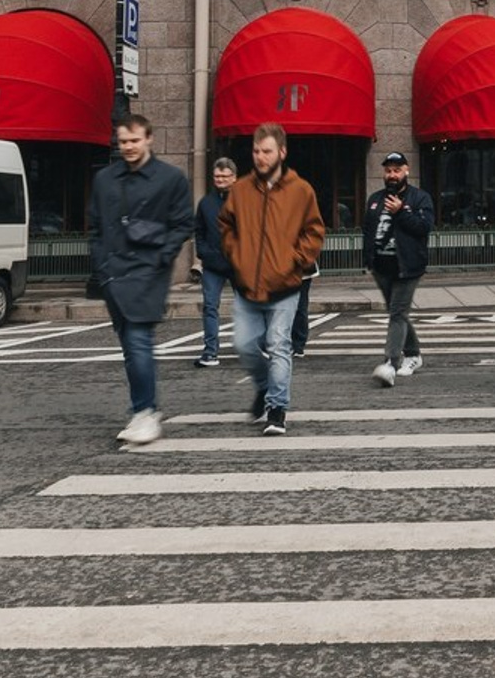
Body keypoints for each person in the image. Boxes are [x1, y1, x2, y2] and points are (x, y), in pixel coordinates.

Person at [88, 113, 193, 445]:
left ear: (149, 139)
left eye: (134, 140)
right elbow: (94, 225)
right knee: (130, 347)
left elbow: (183, 224)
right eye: (123, 142)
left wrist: (162, 258)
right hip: (113, 275)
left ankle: (145, 412)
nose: (128, 147)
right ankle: (143, 411)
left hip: (148, 273)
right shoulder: (105, 178)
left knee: (137, 343)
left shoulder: (171, 178)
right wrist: (101, 266)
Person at [219, 123, 325, 436]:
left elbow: (315, 230)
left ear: (281, 152)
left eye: (266, 151)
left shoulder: (301, 190)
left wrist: (295, 261)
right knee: (244, 345)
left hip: (285, 286)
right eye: (255, 151)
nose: (260, 157)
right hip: (246, 284)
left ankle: (276, 409)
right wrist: (237, 257)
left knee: (279, 345)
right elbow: (226, 226)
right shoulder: (240, 190)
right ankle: (265, 386)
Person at [365, 151, 436, 387]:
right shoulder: (375, 199)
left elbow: (424, 227)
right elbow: (368, 230)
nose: (392, 175)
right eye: (388, 170)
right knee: (398, 313)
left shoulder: (419, 198)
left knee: (397, 313)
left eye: (397, 170)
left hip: (408, 267)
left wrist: (402, 211)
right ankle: (414, 354)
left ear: (407, 170)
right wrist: (368, 260)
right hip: (382, 267)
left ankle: (390, 364)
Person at [192, 157, 237, 367]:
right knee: (210, 307)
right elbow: (198, 231)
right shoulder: (206, 202)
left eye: (224, 176)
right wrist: (203, 253)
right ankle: (210, 353)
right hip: (212, 265)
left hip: (239, 264)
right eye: (217, 176)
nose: (220, 179)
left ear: (234, 178)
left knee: (250, 307)